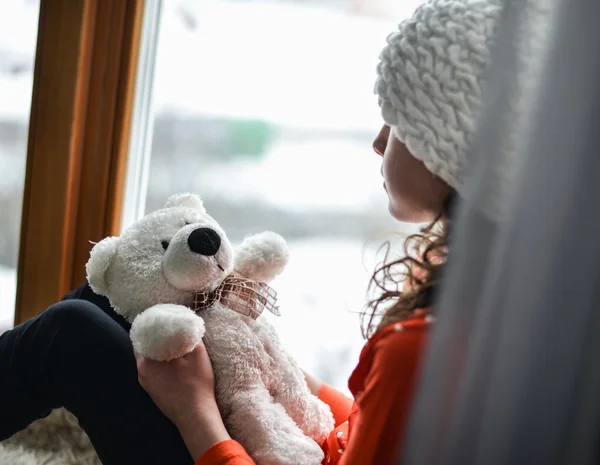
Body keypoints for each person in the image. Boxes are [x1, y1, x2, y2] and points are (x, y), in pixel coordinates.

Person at [0, 0, 503, 463]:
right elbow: (375, 434)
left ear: (448, 152)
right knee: (116, 294)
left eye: (396, 124)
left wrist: (196, 413)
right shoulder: (481, 295)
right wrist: (280, 371)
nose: (378, 141)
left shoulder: (417, 348)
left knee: (72, 332)